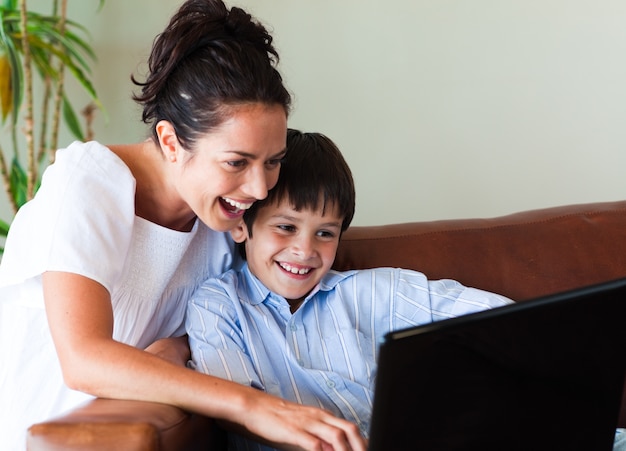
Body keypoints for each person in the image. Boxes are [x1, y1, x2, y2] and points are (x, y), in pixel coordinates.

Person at [0, 2, 366, 450]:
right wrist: (252, 405)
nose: (259, 187)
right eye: (237, 162)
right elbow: (84, 359)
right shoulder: (88, 185)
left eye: (273, 162)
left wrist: (177, 346)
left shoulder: (221, 220)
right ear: (170, 141)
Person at [185, 129, 514, 450]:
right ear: (241, 226)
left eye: (325, 233)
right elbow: (233, 406)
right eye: (286, 227)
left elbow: (502, 318)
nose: (305, 250)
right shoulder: (218, 305)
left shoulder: (372, 292)